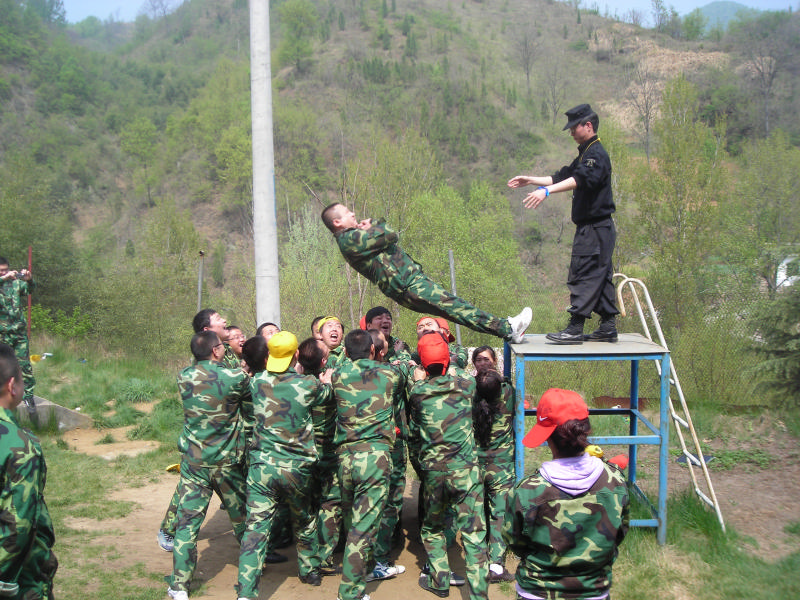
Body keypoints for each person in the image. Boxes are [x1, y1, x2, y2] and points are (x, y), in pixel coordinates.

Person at [321, 203, 531, 343]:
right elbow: (390, 235)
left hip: (409, 282)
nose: (353, 214)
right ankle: (507, 329)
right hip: (407, 285)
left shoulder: (353, 237)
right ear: (337, 222)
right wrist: (374, 225)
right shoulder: (349, 240)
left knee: (455, 307)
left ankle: (506, 328)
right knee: (456, 307)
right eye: (347, 213)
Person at [508, 103, 619, 344]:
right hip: (598, 229)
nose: (571, 132)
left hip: (595, 228)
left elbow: (579, 179)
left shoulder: (596, 154)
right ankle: (608, 326)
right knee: (601, 275)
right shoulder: (586, 153)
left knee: (584, 272)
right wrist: (531, 180)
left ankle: (575, 328)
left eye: (574, 127)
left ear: (588, 126)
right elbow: (564, 175)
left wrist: (546, 192)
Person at [503, 388, 629, 600]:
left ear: (548, 437)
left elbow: (514, 540)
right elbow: (619, 532)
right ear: (585, 431)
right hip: (594, 591)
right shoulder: (615, 481)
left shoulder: (527, 490)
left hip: (538, 592)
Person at [236, 333, 333, 600]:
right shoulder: (308, 385)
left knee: (255, 528)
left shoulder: (257, 382)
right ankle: (310, 571)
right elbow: (327, 395)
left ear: (270, 355)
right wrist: (325, 381)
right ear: (296, 355)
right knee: (303, 519)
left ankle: (246, 591)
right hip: (297, 468)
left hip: (261, 468)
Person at [167, 331, 250, 600]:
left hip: (194, 462)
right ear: (215, 351)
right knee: (243, 520)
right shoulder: (234, 377)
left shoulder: (183, 376)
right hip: (227, 462)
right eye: (221, 346)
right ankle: (252, 574)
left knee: (187, 525)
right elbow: (251, 394)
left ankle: (179, 586)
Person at [408, 332, 488, 600]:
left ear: (423, 364)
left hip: (435, 471)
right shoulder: (466, 385)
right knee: (474, 533)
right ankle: (479, 595)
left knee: (432, 528)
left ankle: (439, 580)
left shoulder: (418, 392)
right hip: (465, 471)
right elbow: (462, 374)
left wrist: (419, 378)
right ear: (447, 361)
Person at [332, 329, 405, 600]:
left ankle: (371, 567)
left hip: (345, 458)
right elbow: (406, 373)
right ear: (374, 350)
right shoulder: (389, 374)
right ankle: (350, 592)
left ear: (346, 352)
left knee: (353, 521)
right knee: (363, 527)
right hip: (374, 459)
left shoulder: (337, 374)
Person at [0, 343, 57, 599]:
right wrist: (5, 579)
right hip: (20, 579)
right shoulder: (20, 446)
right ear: (13, 386)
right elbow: (20, 523)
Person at [472, 365, 515, 583]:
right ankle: (496, 564)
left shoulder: (471, 398)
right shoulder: (507, 394)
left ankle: (475, 559)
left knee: (475, 512)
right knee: (500, 514)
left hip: (476, 463)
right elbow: (506, 382)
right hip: (501, 464)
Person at [0, 258, 36, 416]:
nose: (4, 272)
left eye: (5, 270)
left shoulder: (15, 284)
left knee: (24, 365)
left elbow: (29, 289)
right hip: (2, 334)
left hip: (18, 333)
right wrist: (3, 278)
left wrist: (29, 280)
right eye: (0, 271)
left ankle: (28, 397)